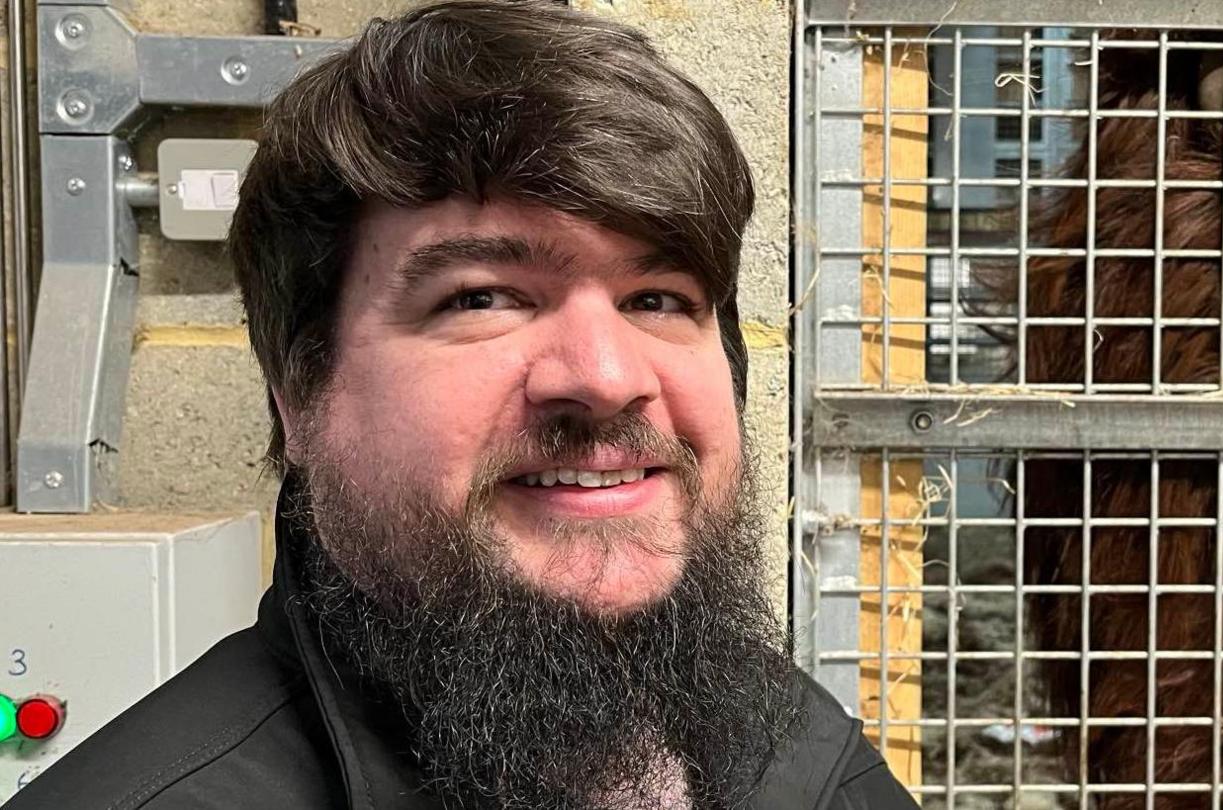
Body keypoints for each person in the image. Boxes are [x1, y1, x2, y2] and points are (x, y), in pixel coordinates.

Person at [9, 2, 919, 807]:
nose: (605, 375)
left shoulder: (792, 747)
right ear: (298, 395)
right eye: (482, 298)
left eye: (659, 298)